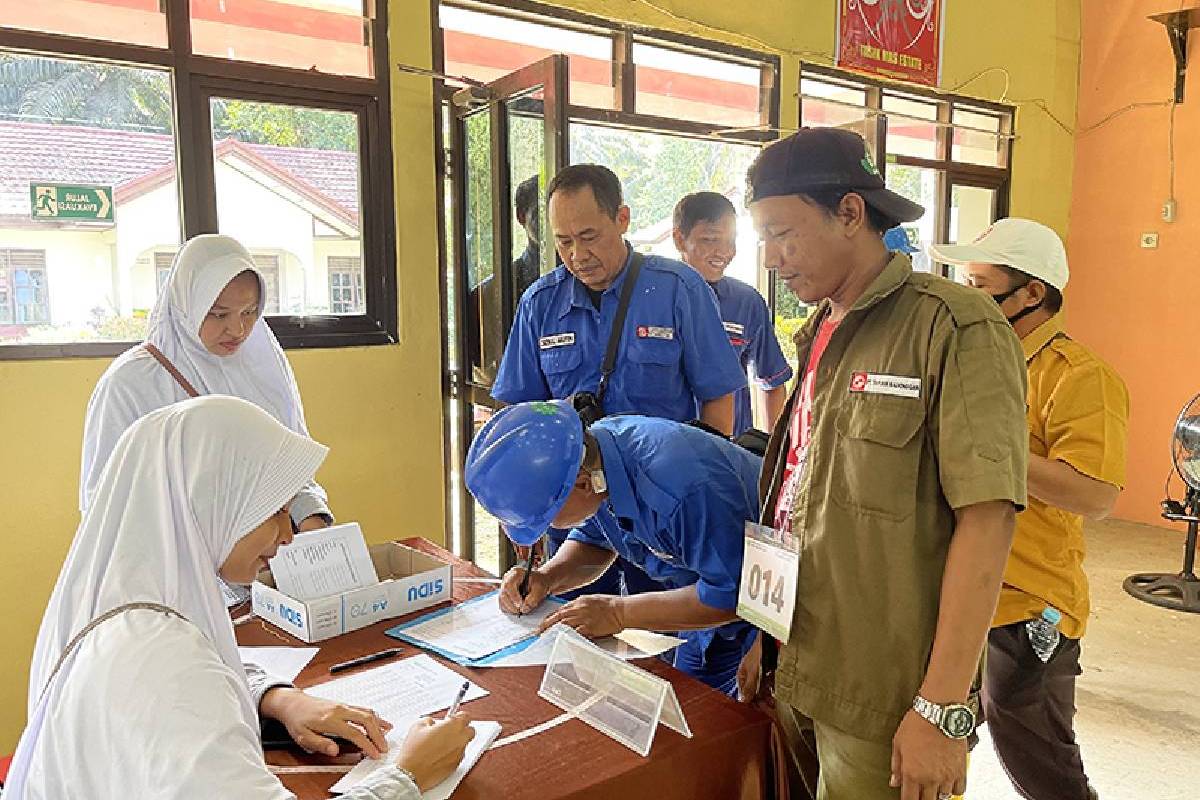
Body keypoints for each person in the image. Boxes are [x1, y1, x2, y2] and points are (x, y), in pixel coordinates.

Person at [735, 128, 1029, 800]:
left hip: (885, 699)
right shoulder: (817, 332)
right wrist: (763, 634)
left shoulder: (952, 327)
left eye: (784, 233)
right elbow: (792, 499)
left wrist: (941, 709)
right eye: (764, 239)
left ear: (849, 212)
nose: (774, 258)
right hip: (797, 662)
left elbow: (987, 523)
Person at [5, 396, 473, 799]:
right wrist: (408, 775)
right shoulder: (159, 661)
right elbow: (178, 684)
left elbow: (204, 666)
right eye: (274, 511)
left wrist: (278, 699)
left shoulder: (121, 592)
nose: (288, 534)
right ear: (210, 502)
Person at [932, 218, 1129, 800]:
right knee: (935, 737)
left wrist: (991, 452)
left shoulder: (1079, 378)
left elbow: (1096, 494)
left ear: (1031, 294)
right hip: (958, 587)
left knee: (1036, 753)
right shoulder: (970, 364)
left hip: (1028, 599)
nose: (966, 299)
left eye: (979, 285)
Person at [491, 164, 745, 598]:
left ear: (622, 219)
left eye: (588, 237)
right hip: (580, 510)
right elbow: (517, 417)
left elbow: (719, 400)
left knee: (670, 639)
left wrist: (695, 488)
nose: (577, 255)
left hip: (665, 514)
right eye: (563, 241)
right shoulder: (540, 303)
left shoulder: (677, 288)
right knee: (571, 629)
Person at [464, 400, 760, 696]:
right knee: (691, 705)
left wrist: (617, 613)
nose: (549, 528)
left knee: (753, 715)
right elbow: (595, 540)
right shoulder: (594, 458)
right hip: (705, 595)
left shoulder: (681, 488)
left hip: (772, 609)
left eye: (548, 518)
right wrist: (548, 577)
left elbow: (733, 595)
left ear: (581, 485)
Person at [79, 234, 331, 533]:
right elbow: (104, 508)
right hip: (177, 568)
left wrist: (311, 517)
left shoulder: (262, 364)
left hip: (264, 558)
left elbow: (287, 466)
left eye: (249, 312)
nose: (238, 329)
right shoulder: (130, 385)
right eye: (218, 314)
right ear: (188, 304)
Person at [672, 191, 793, 436]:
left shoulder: (746, 302)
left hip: (729, 454)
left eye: (731, 240)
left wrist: (772, 455)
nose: (724, 252)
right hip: (663, 452)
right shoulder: (652, 298)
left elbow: (772, 382)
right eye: (710, 239)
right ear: (679, 240)